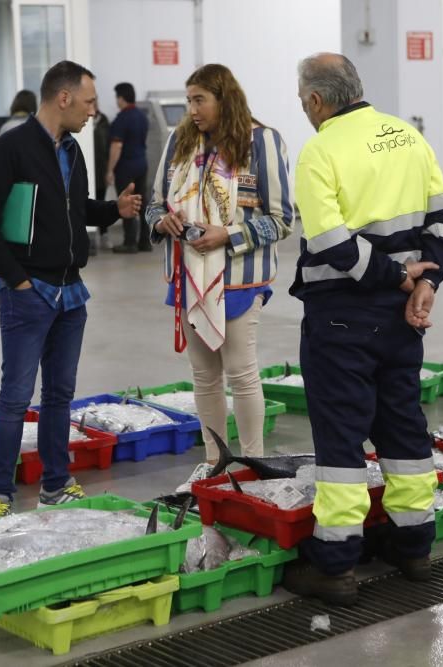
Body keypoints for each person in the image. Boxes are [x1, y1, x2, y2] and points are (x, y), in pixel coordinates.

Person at [281, 53, 443, 606]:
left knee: (340, 437)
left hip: (342, 316)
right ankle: (414, 546)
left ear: (315, 100)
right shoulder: (408, 137)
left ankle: (334, 565)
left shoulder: (320, 150)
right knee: (403, 427)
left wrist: (396, 277)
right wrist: (426, 283)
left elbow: (331, 244)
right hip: (403, 321)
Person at [0, 61, 143, 519]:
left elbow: (75, 208)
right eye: (88, 102)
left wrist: (112, 211)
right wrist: (18, 281)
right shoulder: (8, 150)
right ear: (63, 98)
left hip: (71, 293)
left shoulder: (73, 151)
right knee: (15, 397)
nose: (93, 112)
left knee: (59, 396)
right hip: (28, 292)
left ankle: (55, 483)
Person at [145, 64, 293, 492]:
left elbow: (282, 219)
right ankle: (215, 460)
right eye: (188, 100)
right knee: (204, 375)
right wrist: (162, 224)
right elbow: (155, 205)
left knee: (241, 372)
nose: (191, 110)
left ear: (223, 99)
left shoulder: (261, 141)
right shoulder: (179, 141)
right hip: (188, 278)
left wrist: (227, 234)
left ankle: (252, 462)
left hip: (240, 281)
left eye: (199, 101)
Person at [107, 82, 151, 253]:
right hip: (142, 163)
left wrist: (109, 169)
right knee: (142, 202)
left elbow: (116, 146)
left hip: (126, 166)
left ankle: (130, 242)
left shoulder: (122, 119)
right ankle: (145, 242)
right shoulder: (142, 116)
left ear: (121, 98)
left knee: (127, 202)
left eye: (117, 97)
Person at [92, 97, 113, 250]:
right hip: (88, 168)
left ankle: (104, 233)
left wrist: (109, 170)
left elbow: (109, 144)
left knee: (101, 200)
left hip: (101, 168)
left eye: (96, 101)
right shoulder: (82, 120)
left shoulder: (103, 120)